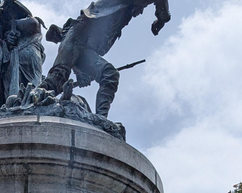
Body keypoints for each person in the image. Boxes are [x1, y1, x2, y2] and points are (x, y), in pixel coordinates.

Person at [39, 0, 170, 117]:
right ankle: (28, 101)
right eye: (141, 8)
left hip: (83, 45)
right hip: (77, 37)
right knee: (56, 80)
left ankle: (100, 120)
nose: (141, 12)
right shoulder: (123, 3)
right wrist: (161, 19)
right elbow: (74, 43)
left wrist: (80, 71)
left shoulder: (125, 9)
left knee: (110, 75)